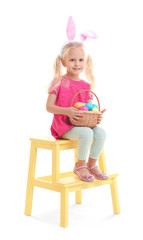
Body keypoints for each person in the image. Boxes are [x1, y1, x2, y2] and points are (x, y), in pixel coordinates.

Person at [46, 41, 108, 182]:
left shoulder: (86, 85)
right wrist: (67, 111)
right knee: (87, 133)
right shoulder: (59, 82)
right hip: (64, 126)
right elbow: (49, 107)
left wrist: (96, 116)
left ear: (86, 62)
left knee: (101, 132)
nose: (77, 63)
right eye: (72, 60)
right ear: (63, 62)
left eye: (81, 60)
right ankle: (80, 166)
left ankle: (91, 165)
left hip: (82, 125)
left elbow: (90, 108)